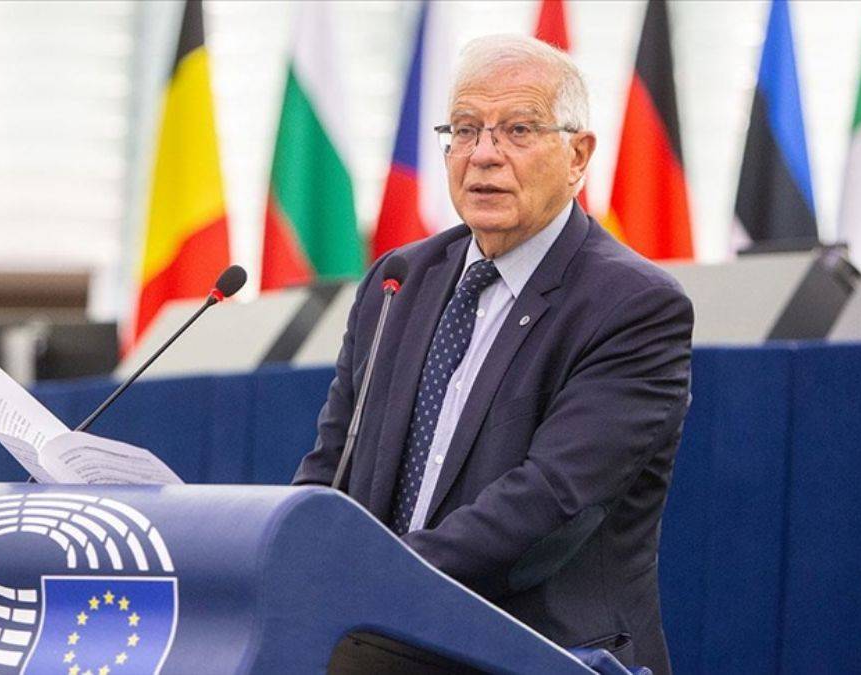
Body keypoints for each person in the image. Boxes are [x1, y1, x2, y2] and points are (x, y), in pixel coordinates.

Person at [293, 34, 693, 674]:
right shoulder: (398, 280)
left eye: (518, 130)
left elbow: (552, 500)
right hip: (379, 645)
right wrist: (290, 552)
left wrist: (379, 579)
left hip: (543, 653)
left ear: (578, 155)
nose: (483, 155)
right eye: (465, 130)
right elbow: (331, 465)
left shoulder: (634, 305)